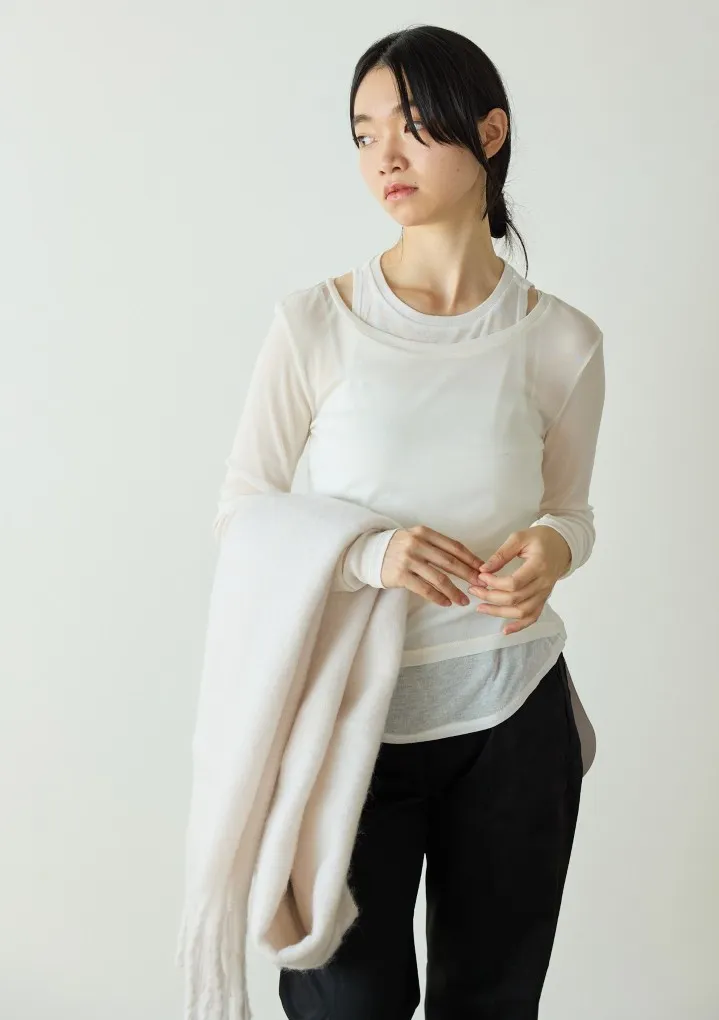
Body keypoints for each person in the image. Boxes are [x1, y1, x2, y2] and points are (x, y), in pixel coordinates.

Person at [214, 23, 605, 1020]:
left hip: (513, 713)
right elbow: (244, 512)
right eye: (363, 133)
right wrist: (369, 552)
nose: (383, 155)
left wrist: (553, 547)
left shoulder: (562, 340)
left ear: (489, 132)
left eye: (413, 124)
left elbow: (570, 510)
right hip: (351, 716)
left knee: (493, 1004)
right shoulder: (316, 322)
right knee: (344, 1003)